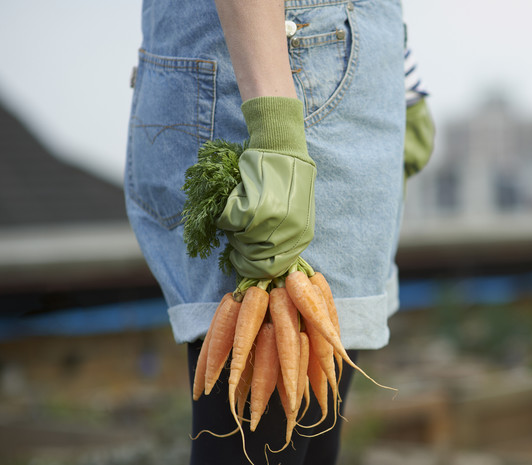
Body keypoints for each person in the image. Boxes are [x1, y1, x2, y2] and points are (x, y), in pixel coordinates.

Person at [124, 0, 433, 463]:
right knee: (262, 437)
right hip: (274, 70)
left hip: (348, 75)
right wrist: (274, 130)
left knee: (315, 431)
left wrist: (405, 83)